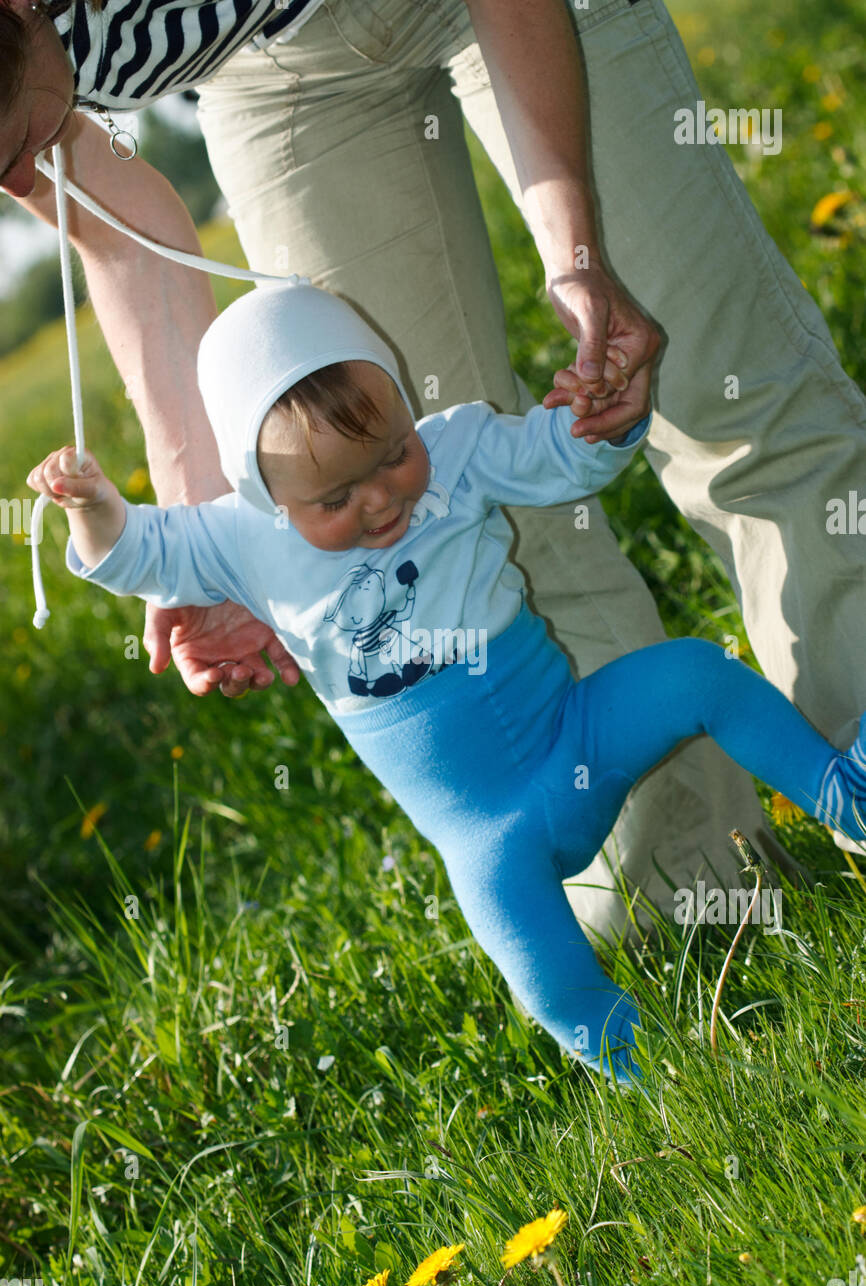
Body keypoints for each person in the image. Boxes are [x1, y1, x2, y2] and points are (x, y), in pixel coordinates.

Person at [3, 0, 864, 949]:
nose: (9, 185)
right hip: (274, 76)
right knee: (431, 507)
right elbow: (126, 236)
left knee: (734, 403)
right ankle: (704, 900)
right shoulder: (30, 77)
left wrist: (576, 258)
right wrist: (213, 546)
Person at [25, 282, 866, 1084]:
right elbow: (136, 554)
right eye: (335, 497)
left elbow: (559, 463)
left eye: (393, 455)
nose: (381, 500)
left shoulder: (456, 446)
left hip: (578, 736)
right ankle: (660, 1077)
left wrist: (598, 423)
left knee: (694, 673)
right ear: (264, 490)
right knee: (549, 985)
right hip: (489, 841)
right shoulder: (237, 539)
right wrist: (93, 505)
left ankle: (844, 796)